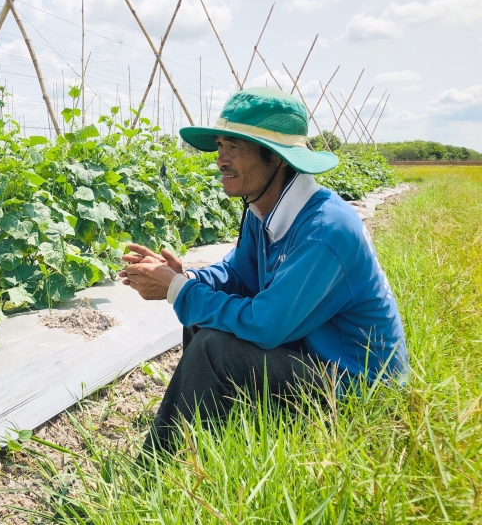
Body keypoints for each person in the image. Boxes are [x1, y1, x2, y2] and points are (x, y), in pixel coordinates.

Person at [119, 87, 409, 453]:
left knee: (215, 348)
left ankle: (157, 471)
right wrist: (187, 277)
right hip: (313, 357)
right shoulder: (263, 209)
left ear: (276, 158)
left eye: (234, 148)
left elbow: (266, 326)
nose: (221, 159)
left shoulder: (325, 231)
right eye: (220, 146)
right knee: (202, 318)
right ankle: (203, 439)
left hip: (356, 387)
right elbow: (238, 274)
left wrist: (176, 289)